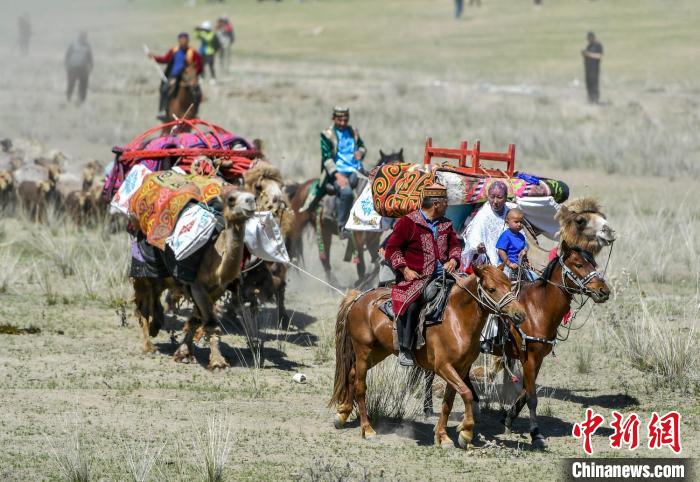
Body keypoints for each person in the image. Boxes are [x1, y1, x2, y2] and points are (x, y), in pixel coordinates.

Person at [384, 184, 462, 366]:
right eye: (445, 202)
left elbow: (455, 246)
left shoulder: (446, 224)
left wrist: (453, 259)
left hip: (445, 275)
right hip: (415, 278)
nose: (447, 205)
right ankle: (405, 348)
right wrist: (405, 270)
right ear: (436, 204)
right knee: (411, 304)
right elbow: (392, 249)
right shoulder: (408, 222)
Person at [319, 106, 367, 237]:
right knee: (346, 193)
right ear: (333, 119)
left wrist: (360, 153)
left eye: (345, 120)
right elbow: (326, 158)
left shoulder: (352, 131)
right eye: (339, 120)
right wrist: (337, 175)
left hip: (355, 170)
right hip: (338, 171)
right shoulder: (327, 134)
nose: (342, 123)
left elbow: (362, 146)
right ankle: (342, 226)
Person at [149, 33, 203, 121]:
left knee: (198, 93)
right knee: (165, 89)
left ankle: (195, 113)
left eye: (185, 41)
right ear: (179, 41)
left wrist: (194, 74)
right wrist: (155, 57)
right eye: (181, 41)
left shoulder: (193, 52)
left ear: (188, 41)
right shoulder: (174, 50)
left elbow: (200, 66)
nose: (183, 43)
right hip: (174, 75)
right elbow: (165, 59)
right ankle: (163, 110)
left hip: (188, 76)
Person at [460, 180, 509, 270]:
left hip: (508, 258)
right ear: (487, 196)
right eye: (492, 197)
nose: (495, 201)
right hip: (486, 262)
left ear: (506, 198)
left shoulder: (510, 212)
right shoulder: (483, 215)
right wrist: (478, 246)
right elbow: (474, 235)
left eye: (499, 197)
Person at [496, 208, 536, 282]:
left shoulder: (521, 237)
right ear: (507, 223)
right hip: (507, 266)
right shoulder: (506, 236)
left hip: (520, 265)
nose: (519, 224)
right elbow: (501, 251)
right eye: (516, 222)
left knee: (535, 279)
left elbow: (521, 252)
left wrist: (526, 261)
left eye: (521, 222)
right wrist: (509, 263)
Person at [64, 32, 93, 104]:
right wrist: (67, 65)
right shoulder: (73, 44)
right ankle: (68, 98)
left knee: (83, 85)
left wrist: (91, 66)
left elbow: (90, 57)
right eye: (82, 37)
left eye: (84, 37)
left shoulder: (87, 46)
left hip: (83, 68)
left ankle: (81, 100)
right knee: (71, 84)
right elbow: (67, 55)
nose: (83, 38)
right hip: (73, 67)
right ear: (79, 37)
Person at [582, 31, 603, 104]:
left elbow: (599, 56)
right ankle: (590, 100)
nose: (588, 40)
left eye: (589, 38)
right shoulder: (589, 46)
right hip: (588, 69)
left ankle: (595, 100)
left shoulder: (598, 45)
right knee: (589, 85)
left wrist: (588, 54)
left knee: (594, 85)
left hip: (594, 69)